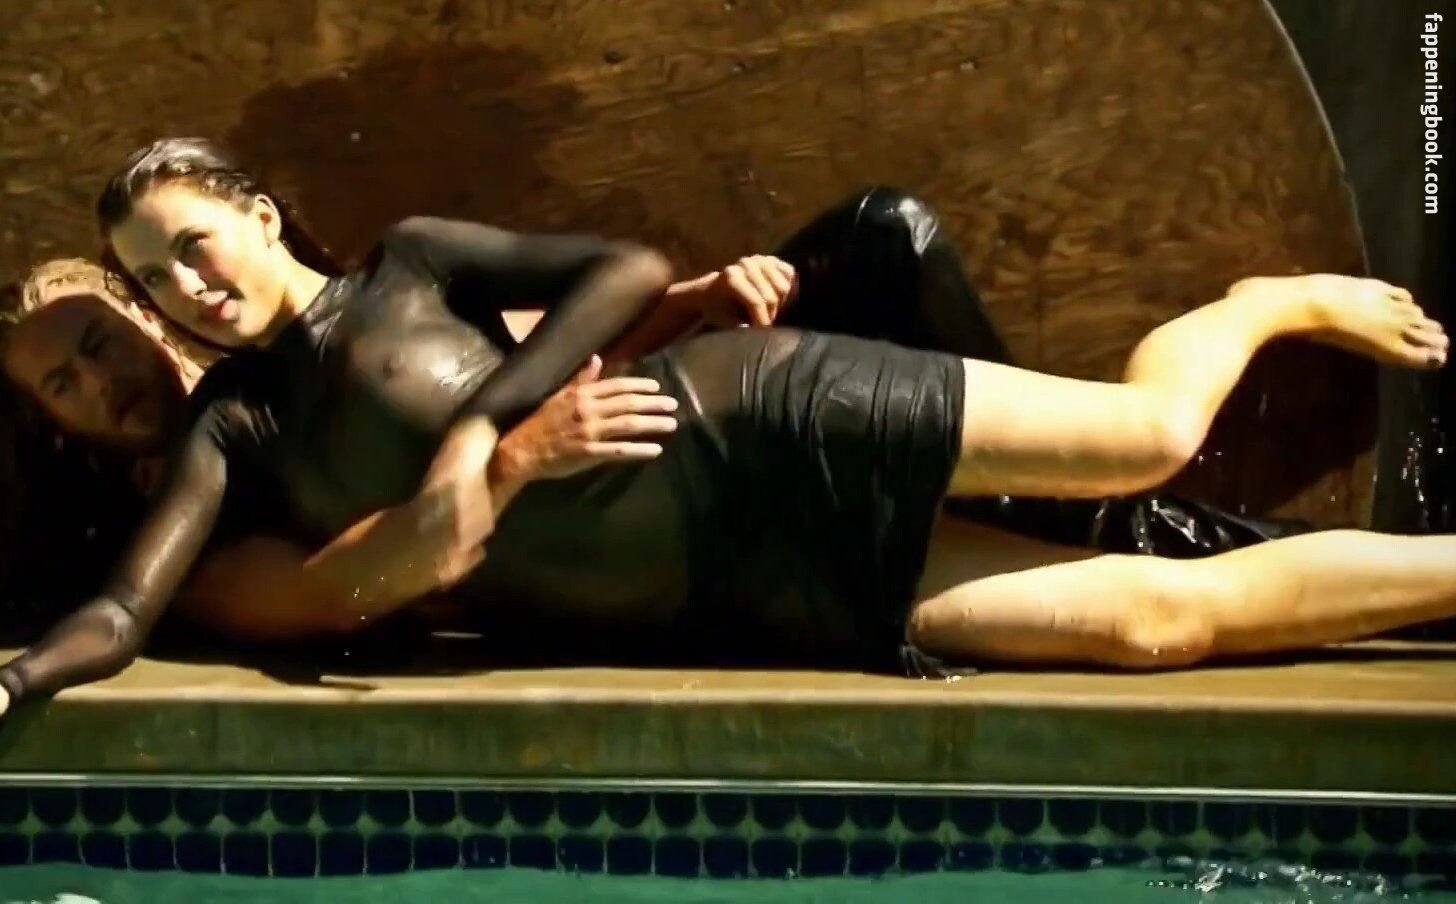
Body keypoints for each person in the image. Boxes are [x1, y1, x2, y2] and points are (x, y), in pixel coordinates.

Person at [3, 136, 1453, 716]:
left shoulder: (409, 266)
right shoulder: (238, 431)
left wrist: (489, 431)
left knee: (1148, 438)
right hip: (745, 578)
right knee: (1152, 626)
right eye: (154, 276)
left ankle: (1265, 300)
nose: (188, 285)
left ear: (256, 214)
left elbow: (620, 272)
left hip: (756, 419)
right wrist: (15, 681)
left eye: (193, 243)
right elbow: (125, 611)